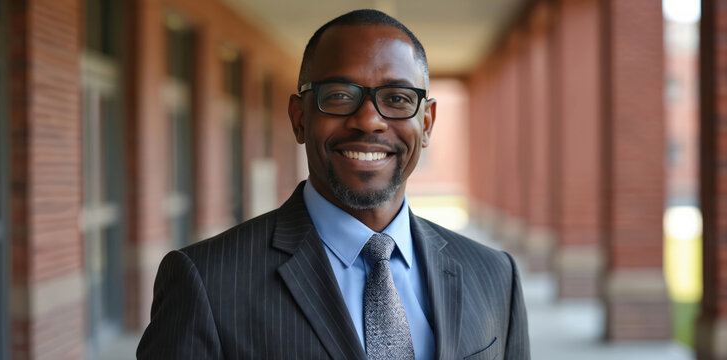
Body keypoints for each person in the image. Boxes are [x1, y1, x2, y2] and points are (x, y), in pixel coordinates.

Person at [137, 9, 529, 360]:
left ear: (425, 124)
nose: (369, 120)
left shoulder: (496, 277)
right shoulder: (206, 282)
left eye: (396, 98)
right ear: (299, 118)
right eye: (340, 95)